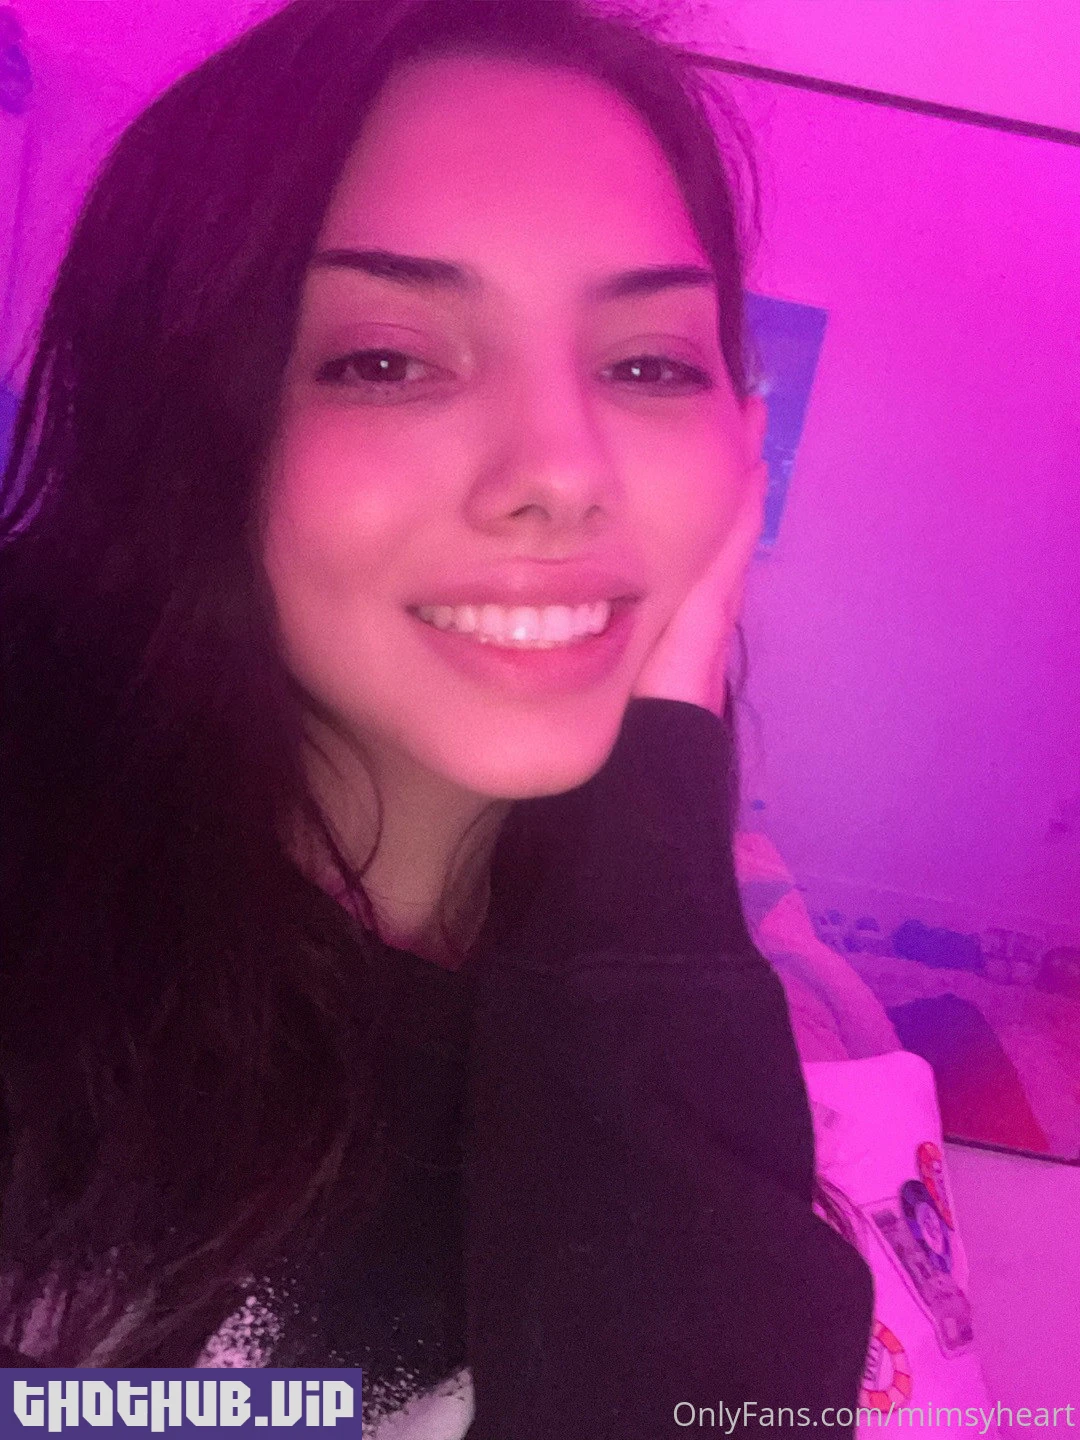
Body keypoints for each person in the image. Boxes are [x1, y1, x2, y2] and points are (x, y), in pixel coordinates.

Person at [0, 0, 874, 1433]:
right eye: (387, 361)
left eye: (649, 365)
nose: (562, 472)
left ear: (741, 444)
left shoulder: (696, 1018)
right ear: (186, 419)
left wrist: (661, 806)